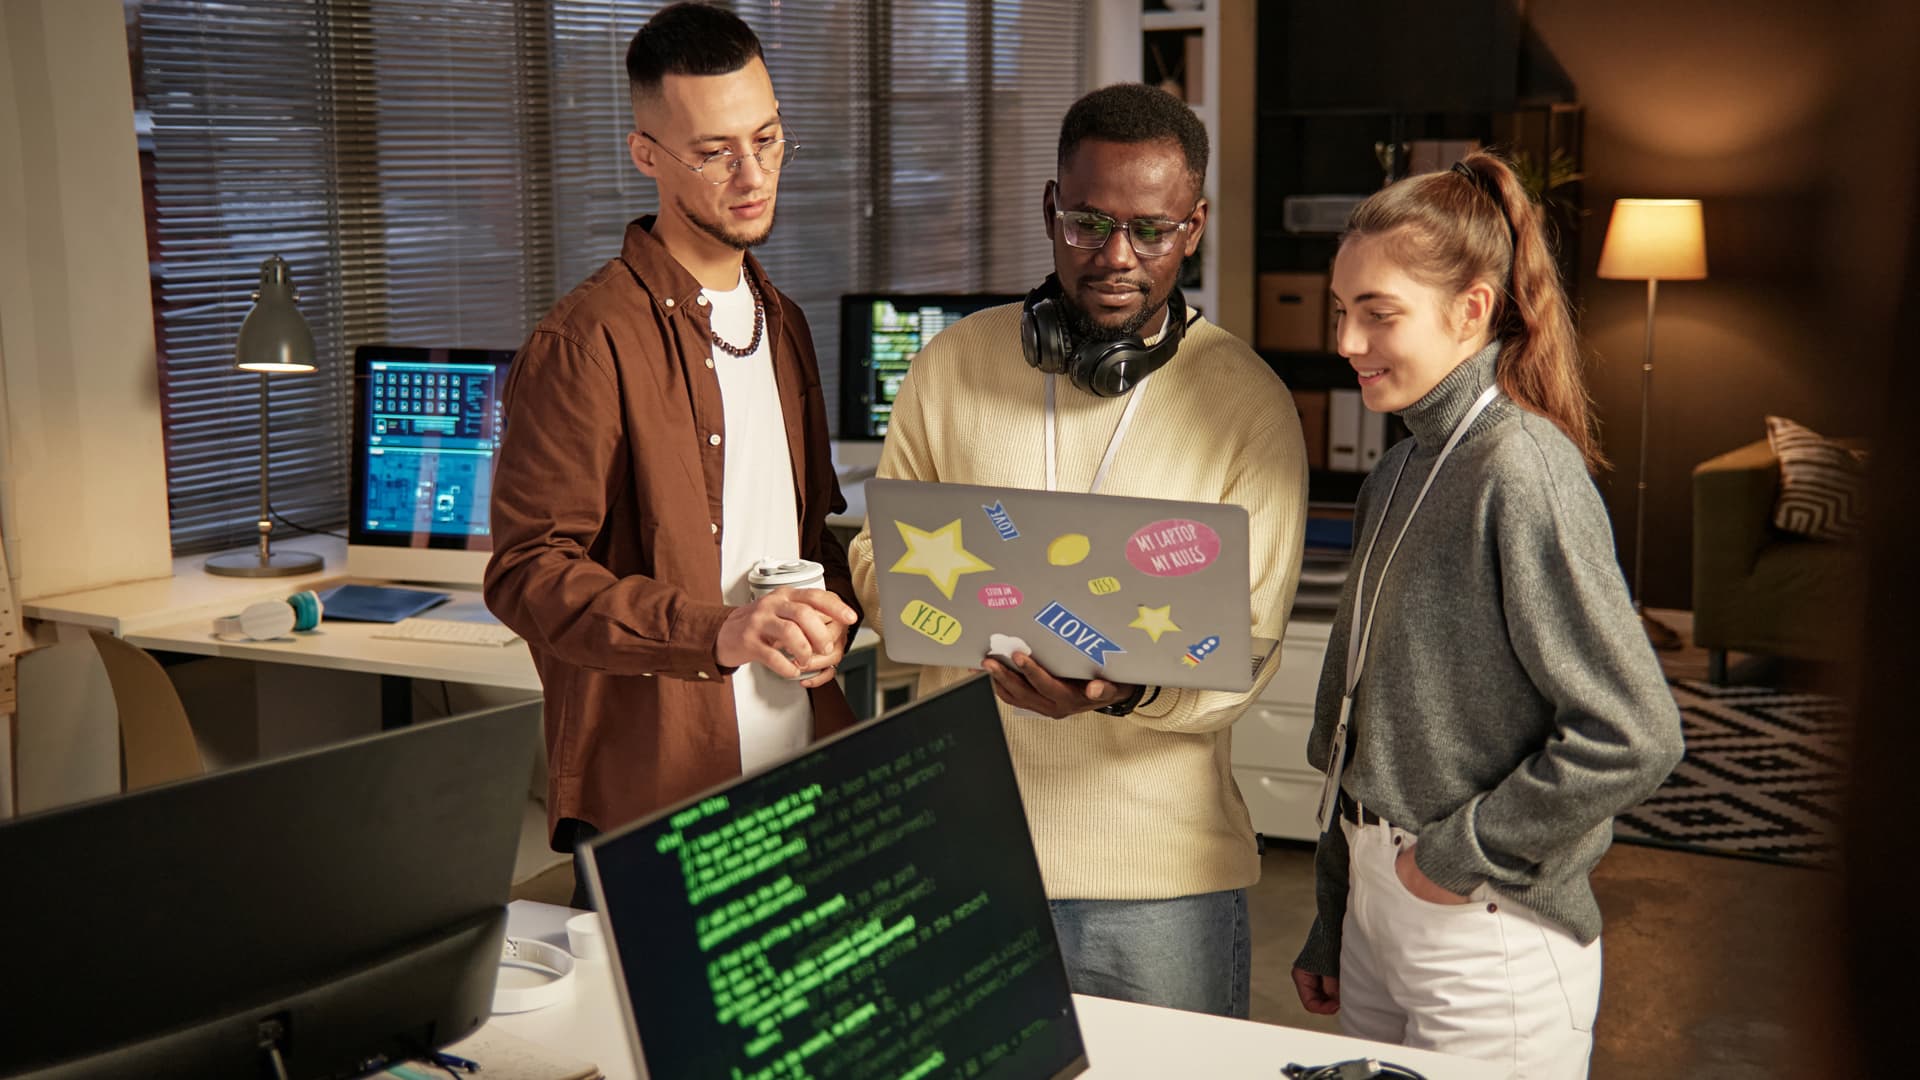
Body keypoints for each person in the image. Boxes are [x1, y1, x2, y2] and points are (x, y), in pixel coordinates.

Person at [849, 83, 1309, 1018]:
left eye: (1152, 230)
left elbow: (1251, 651)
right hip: (970, 851)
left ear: (1196, 226)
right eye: (1088, 223)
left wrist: (1122, 690)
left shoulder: (1249, 404)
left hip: (1159, 884)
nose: (1116, 257)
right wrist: (962, 616)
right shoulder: (952, 365)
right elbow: (872, 557)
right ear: (1050, 208)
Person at [1288, 152, 1686, 1078]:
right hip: (1380, 911)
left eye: (1378, 313)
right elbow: (1366, 722)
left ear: (1471, 310)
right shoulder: (1396, 471)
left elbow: (1636, 734)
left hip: (1485, 928)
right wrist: (1335, 910)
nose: (1347, 340)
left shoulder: (1522, 470)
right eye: (1339, 311)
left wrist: (1460, 854)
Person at [485, 2, 859, 908]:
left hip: (800, 763)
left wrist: (910, 588)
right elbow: (527, 574)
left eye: (767, 140)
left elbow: (808, 533)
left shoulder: (785, 322)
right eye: (713, 151)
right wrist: (718, 631)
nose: (752, 174)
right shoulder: (584, 342)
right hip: (660, 793)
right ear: (646, 153)